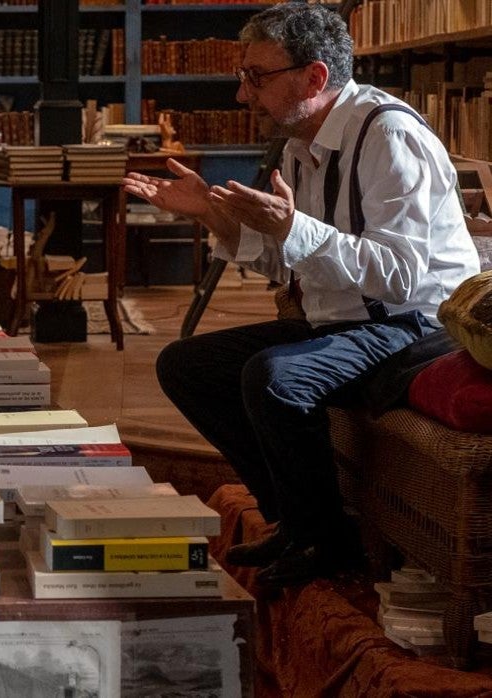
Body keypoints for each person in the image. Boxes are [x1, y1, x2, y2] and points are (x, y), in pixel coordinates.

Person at [122, 4, 478, 588]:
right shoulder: (301, 142)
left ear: (314, 78)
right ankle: (294, 520)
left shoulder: (388, 135)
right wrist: (214, 214)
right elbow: (292, 259)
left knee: (277, 378)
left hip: (414, 325)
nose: (244, 95)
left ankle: (329, 543)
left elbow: (402, 277)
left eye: (256, 78)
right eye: (244, 78)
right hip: (344, 319)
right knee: (186, 365)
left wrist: (293, 228)